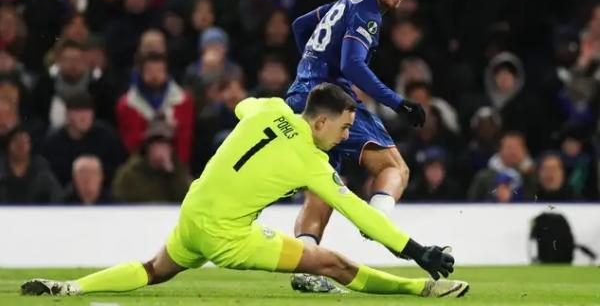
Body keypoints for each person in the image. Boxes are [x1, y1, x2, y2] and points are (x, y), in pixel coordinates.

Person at [20, 83, 467, 298]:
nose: (346, 137)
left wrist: (264, 114)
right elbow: (360, 213)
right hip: (226, 236)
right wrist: (417, 250)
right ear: (320, 121)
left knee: (154, 269)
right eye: (345, 128)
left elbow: (242, 104)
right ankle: (420, 290)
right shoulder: (312, 163)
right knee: (330, 262)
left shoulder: (269, 109)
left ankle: (71, 288)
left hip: (193, 214)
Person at [285, 0, 426, 291]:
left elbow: (300, 26)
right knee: (395, 168)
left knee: (322, 186)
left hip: (300, 97)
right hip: (330, 99)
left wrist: (311, 67)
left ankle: (305, 267)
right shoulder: (368, 13)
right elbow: (352, 64)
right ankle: (376, 222)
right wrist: (398, 102)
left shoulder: (347, 1)